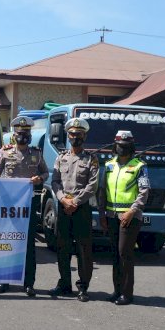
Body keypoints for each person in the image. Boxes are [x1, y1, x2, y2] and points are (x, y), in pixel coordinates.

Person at [0, 116, 49, 297]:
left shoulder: (36, 153)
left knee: (28, 244)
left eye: (25, 133)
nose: (22, 136)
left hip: (28, 204)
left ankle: (28, 283)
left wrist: (39, 178)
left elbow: (45, 172)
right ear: (14, 135)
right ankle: (3, 280)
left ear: (29, 135)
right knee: (6, 241)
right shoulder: (4, 152)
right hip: (7, 205)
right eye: (19, 133)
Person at [49, 117, 98, 302]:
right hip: (63, 207)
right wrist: (63, 199)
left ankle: (83, 287)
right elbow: (54, 181)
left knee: (84, 249)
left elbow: (92, 185)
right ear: (68, 136)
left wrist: (74, 202)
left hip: (81, 208)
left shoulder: (91, 159)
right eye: (72, 134)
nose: (75, 137)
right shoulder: (61, 157)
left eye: (78, 134)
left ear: (84, 136)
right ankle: (64, 284)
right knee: (63, 247)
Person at [99, 130, 150, 306]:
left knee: (124, 253)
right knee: (114, 254)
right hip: (111, 215)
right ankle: (117, 290)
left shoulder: (139, 166)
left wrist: (132, 211)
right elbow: (102, 191)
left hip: (129, 217)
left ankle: (127, 294)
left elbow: (144, 192)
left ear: (131, 147)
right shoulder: (108, 165)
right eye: (119, 145)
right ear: (115, 146)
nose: (122, 149)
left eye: (126, 146)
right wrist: (102, 215)